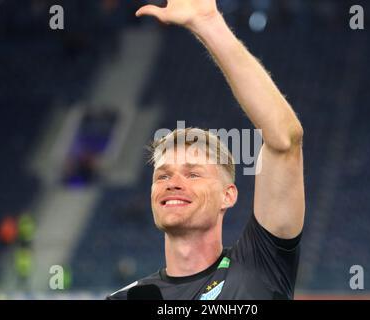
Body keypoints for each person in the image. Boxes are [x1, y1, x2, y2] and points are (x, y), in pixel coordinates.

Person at [108, 0, 305, 300]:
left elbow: (285, 141)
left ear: (228, 195)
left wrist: (208, 23)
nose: (173, 183)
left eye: (193, 174)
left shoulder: (259, 267)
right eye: (162, 176)